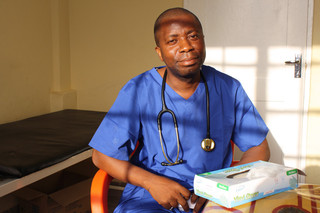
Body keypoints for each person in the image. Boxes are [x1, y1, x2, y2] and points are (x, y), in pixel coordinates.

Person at [89, 7, 270, 213]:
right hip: (150, 197)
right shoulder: (139, 89)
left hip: (213, 196)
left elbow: (259, 148)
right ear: (160, 52)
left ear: (203, 40)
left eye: (193, 36)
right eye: (173, 41)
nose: (186, 47)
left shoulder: (228, 88)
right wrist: (152, 183)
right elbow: (101, 155)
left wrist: (220, 185)